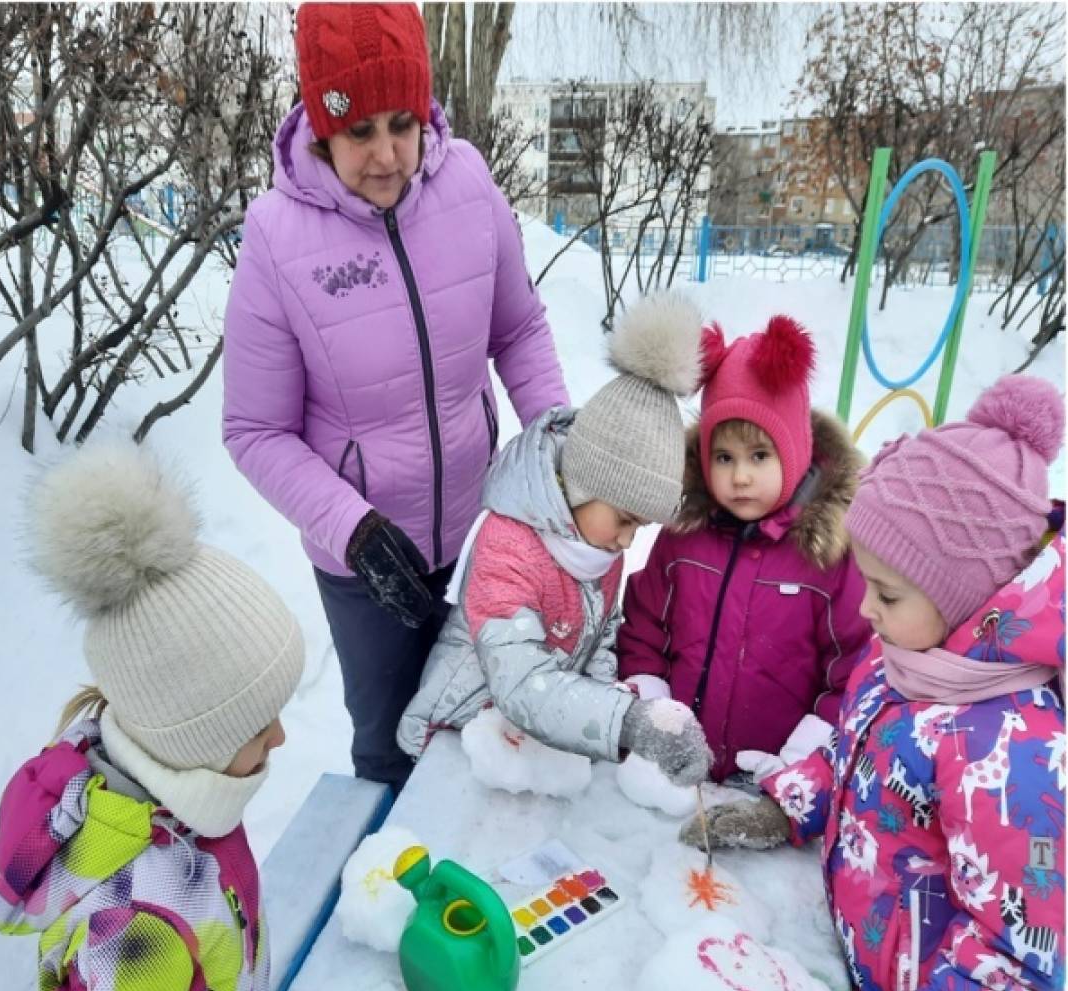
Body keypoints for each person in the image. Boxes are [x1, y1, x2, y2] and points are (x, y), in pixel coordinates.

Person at [681, 376, 1066, 991]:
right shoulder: (906, 658)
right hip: (861, 975)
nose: (868, 611)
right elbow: (852, 753)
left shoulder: (1017, 756)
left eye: (886, 593)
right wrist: (787, 804)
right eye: (867, 584)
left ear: (969, 602)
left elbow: (1022, 958)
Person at [222, 2, 568, 791]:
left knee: (477, 709)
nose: (386, 155)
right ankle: (387, 877)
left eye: (401, 124)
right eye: (358, 132)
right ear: (319, 131)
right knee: (388, 738)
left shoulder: (469, 187)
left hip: (478, 528)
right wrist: (355, 530)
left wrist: (554, 446)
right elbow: (254, 430)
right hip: (363, 561)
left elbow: (515, 329)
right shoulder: (278, 239)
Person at [0, 445, 305, 991]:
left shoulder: (178, 798)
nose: (281, 736)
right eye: (255, 725)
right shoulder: (140, 916)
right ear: (190, 735)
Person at [397, 293, 711, 787]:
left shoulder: (595, 542)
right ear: (584, 484)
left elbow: (602, 636)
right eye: (627, 520)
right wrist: (626, 722)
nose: (627, 543)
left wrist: (614, 695)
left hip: (529, 742)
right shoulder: (508, 546)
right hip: (460, 738)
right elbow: (521, 681)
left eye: (641, 528)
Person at [617, 314, 872, 783]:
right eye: (724, 457)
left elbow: (854, 666)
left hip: (774, 779)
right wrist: (651, 704)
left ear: (793, 452)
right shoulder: (683, 537)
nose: (739, 477)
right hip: (673, 771)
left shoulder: (827, 556)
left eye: (760, 456)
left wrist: (807, 751)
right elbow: (645, 626)